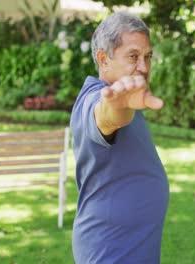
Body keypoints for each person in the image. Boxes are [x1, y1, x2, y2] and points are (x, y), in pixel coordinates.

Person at [70, 11, 169, 263]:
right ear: (103, 59)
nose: (144, 67)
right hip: (111, 249)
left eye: (148, 57)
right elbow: (105, 117)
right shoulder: (96, 99)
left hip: (134, 244)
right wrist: (118, 106)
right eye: (133, 56)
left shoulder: (127, 96)